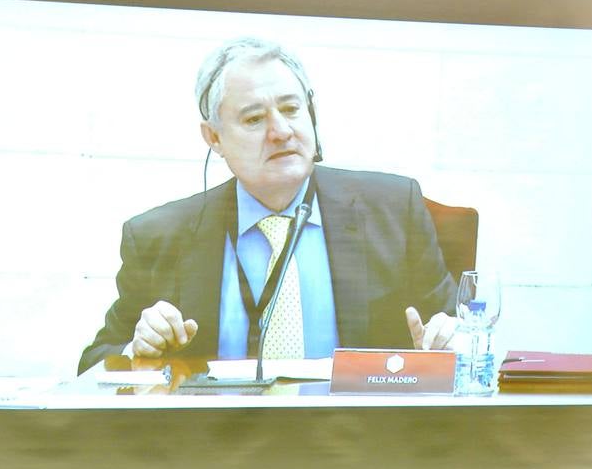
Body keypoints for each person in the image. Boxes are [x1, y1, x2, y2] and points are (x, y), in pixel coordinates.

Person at [78, 37, 458, 374]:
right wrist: (137, 350)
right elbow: (95, 360)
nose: (281, 131)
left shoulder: (392, 210)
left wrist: (449, 341)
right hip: (214, 444)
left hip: (354, 442)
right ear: (214, 137)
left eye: (291, 110)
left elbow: (459, 332)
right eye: (255, 118)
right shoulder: (158, 236)